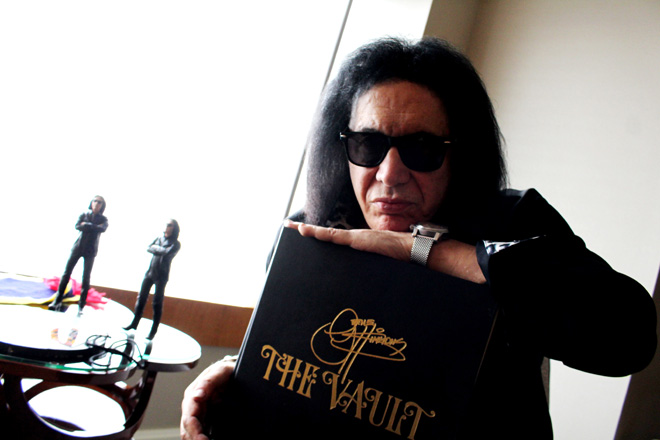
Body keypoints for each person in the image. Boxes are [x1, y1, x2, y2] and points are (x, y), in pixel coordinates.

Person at [180, 37, 657, 439]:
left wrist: (431, 253)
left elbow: (628, 338)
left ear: (460, 154)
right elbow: (303, 360)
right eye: (367, 144)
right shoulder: (313, 232)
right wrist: (240, 373)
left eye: (422, 148)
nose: (389, 174)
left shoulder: (512, 221)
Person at [50, 195, 108, 315]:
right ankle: (57, 300)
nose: (96, 204)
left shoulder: (103, 219)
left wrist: (87, 225)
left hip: (90, 251)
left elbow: (102, 229)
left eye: (99, 202)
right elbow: (77, 226)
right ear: (91, 202)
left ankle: (81, 305)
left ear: (102, 206)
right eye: (95, 201)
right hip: (78, 247)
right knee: (66, 273)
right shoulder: (84, 214)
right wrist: (92, 226)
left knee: (86, 278)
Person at [124, 219, 181, 340]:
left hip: (161, 276)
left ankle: (153, 331)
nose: (167, 227)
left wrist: (156, 249)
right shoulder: (159, 238)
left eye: (169, 225)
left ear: (174, 228)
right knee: (141, 299)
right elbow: (149, 247)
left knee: (157, 303)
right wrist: (158, 249)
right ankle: (134, 323)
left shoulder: (176, 243)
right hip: (150, 273)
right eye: (166, 225)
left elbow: (166, 252)